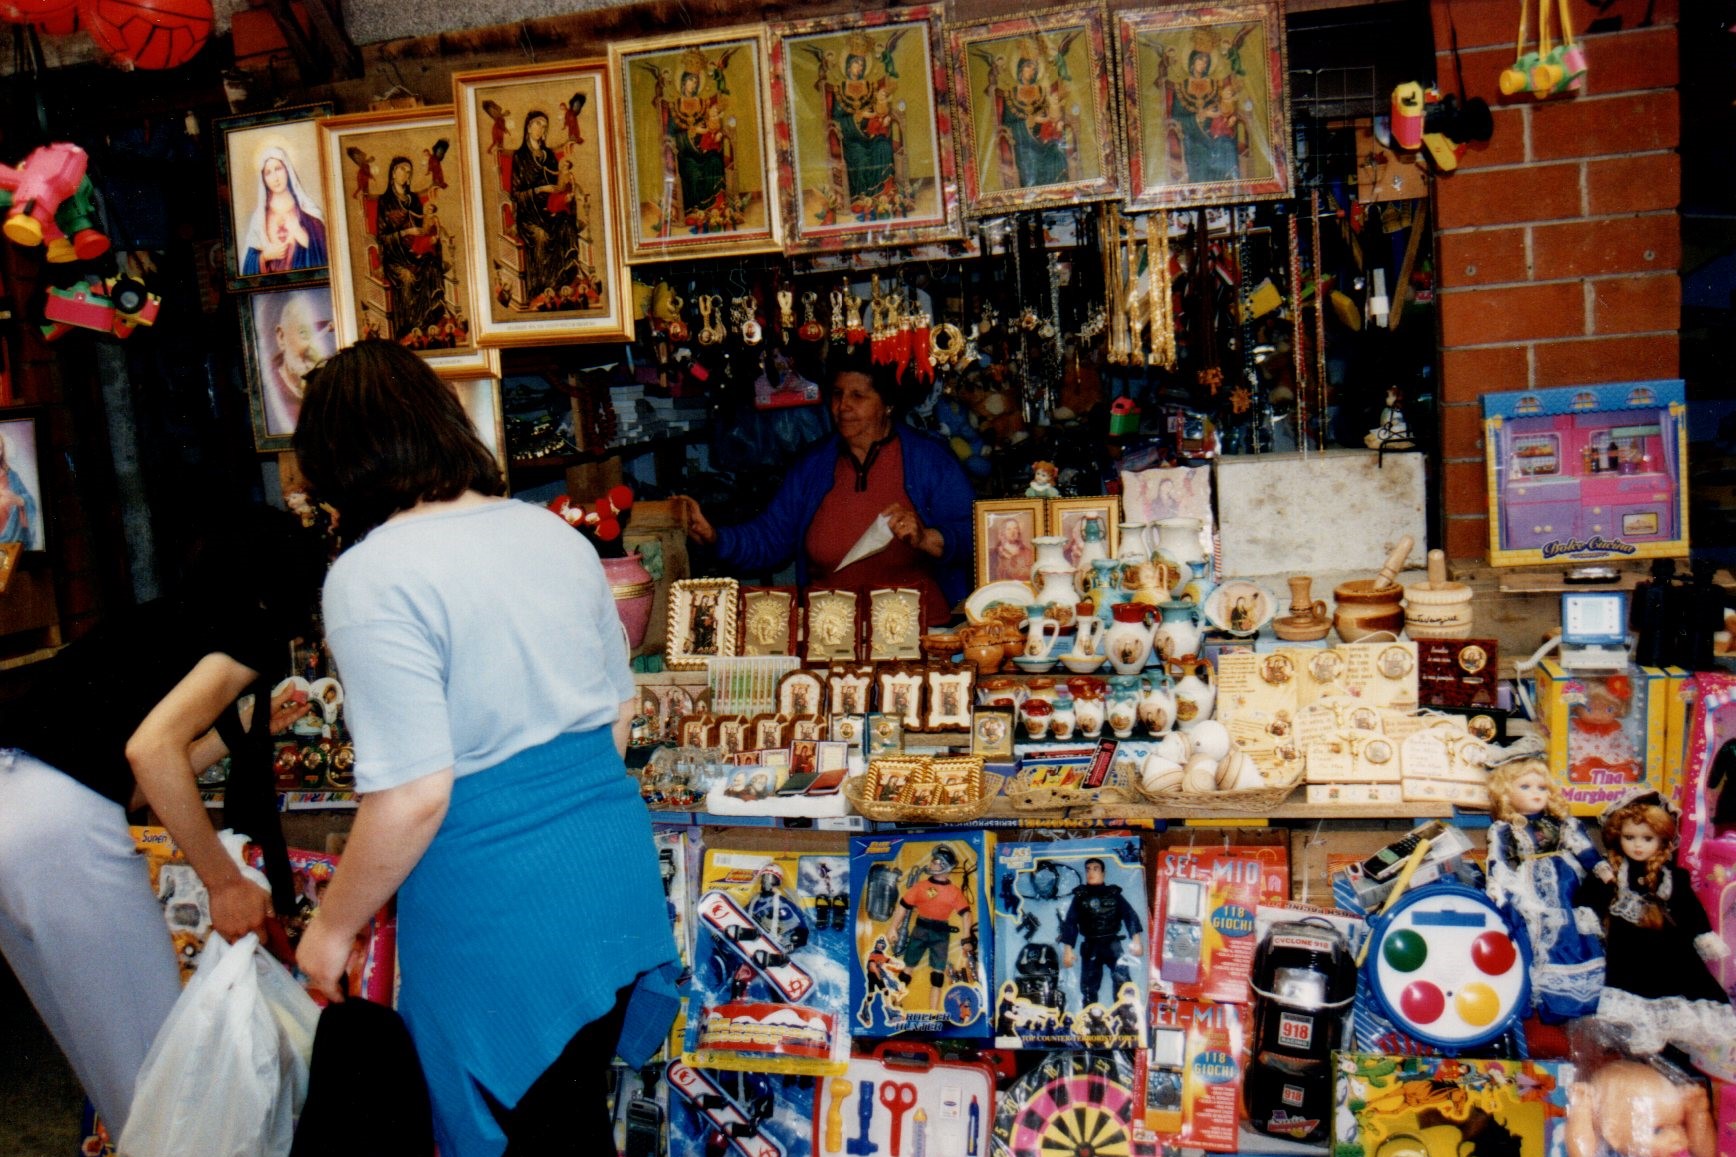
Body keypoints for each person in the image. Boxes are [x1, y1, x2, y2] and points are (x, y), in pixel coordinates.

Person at [291, 340, 678, 1157]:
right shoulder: (551, 534)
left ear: (335, 461)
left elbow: (414, 793)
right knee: (570, 1127)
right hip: (610, 882)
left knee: (526, 1136)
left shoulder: (370, 574)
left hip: (497, 911)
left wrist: (331, 926)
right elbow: (618, 713)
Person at [0, 507, 326, 1135]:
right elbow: (150, 754)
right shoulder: (249, 632)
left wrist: (237, 733)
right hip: (56, 830)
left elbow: (127, 778)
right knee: (163, 1077)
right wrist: (225, 884)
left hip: (16, 805)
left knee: (114, 1076)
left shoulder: (155, 619)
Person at [676, 361, 973, 628]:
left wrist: (926, 538)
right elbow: (769, 538)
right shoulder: (812, 466)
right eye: (837, 394)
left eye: (858, 396)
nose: (843, 406)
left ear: (887, 404)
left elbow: (974, 535)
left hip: (916, 631)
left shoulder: (929, 460)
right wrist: (715, 537)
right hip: (830, 633)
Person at [1578, 790, 1736, 1067]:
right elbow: (1590, 899)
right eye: (1630, 837)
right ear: (1617, 837)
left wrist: (1702, 935)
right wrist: (1585, 918)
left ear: (1662, 840)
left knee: (1674, 1010)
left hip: (1670, 953)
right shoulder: (1610, 874)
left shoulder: (1673, 877)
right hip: (1627, 955)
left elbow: (1689, 909)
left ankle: (1669, 1067)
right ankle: (1635, 1067)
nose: (1638, 846)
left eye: (1647, 838)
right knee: (1630, 1018)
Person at [1482, 757, 1605, 1022]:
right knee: (1535, 929)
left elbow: (1584, 848)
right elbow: (1497, 860)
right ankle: (1550, 999)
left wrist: (1600, 868)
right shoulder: (1504, 828)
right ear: (1506, 793)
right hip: (1529, 884)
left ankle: (1579, 997)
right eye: (1525, 786)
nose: (1536, 793)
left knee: (1572, 930)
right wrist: (1497, 887)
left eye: (1542, 787)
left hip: (1566, 883)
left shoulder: (1562, 823)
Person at [509, 111, 580, 305]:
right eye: (538, 124)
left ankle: (564, 278)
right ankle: (542, 288)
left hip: (549, 209)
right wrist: (540, 189)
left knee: (565, 223)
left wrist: (565, 192)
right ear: (528, 127)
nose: (541, 129)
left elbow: (558, 182)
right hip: (529, 214)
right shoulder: (520, 157)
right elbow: (516, 194)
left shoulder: (549, 155)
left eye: (544, 126)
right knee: (541, 236)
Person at [374, 156, 446, 342]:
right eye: (402, 169)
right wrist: (406, 232)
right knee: (408, 277)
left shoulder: (413, 199)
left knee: (432, 265)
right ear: (393, 173)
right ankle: (410, 327)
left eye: (409, 171)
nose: (406, 174)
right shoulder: (385, 201)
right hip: (395, 256)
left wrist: (429, 225)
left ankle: (429, 319)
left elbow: (422, 226)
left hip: (414, 252)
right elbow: (382, 237)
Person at [893, 845, 972, 1011]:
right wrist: (893, 927)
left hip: (941, 933)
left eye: (936, 861)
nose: (931, 864)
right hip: (920, 930)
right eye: (933, 861)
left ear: (945, 866)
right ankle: (896, 1003)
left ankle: (934, 1011)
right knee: (908, 967)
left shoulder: (953, 892)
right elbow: (904, 905)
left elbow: (966, 913)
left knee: (938, 974)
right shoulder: (921, 886)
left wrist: (966, 938)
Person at [1058, 857, 1145, 1007]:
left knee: (1123, 981)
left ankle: (1125, 1012)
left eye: (1095, 869)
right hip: (1091, 945)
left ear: (1103, 873)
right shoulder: (1080, 896)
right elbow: (1070, 923)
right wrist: (1067, 950)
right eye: (1088, 870)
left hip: (1112, 944)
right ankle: (1089, 1015)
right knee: (1088, 986)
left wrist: (1136, 940)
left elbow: (1129, 915)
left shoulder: (1113, 893)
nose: (1091, 873)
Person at [240, 145, 328, 276]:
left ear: (287, 170)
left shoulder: (307, 210)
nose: (275, 178)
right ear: (263, 179)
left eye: (278, 169)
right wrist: (265, 256)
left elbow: (325, 253)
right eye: (268, 173)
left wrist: (301, 235)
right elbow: (247, 268)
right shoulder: (259, 218)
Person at [261, 289, 335, 436]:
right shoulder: (268, 396)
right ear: (281, 336)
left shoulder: (335, 386)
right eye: (304, 333)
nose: (314, 346)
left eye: (325, 334)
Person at [0, 429, 40, 549]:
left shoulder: (12, 476)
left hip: (12, 539)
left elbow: (30, 502)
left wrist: (18, 500)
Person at [988, 514, 1036, 584]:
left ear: (1018, 532)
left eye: (1015, 528)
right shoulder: (993, 554)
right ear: (1003, 532)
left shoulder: (1027, 552)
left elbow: (1032, 574)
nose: (1013, 532)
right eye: (1008, 529)